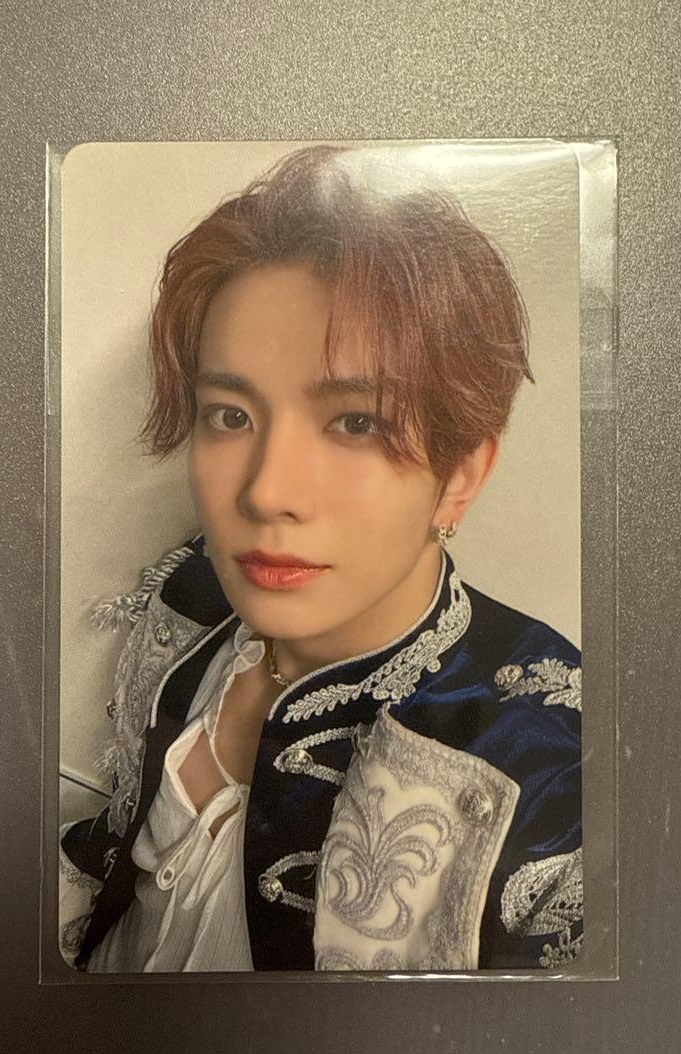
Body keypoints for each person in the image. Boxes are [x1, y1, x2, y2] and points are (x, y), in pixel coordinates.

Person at [58, 145, 582, 972]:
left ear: (460, 475)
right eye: (229, 415)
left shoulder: (553, 757)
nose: (267, 493)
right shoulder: (193, 596)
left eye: (355, 423)